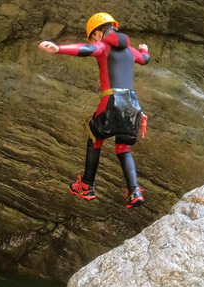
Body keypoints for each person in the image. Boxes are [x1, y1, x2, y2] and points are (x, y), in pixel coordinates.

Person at [39, 13, 150, 208]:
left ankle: (87, 185)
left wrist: (58, 49)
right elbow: (145, 59)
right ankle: (134, 192)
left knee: (94, 136)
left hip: (111, 100)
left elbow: (85, 49)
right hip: (133, 106)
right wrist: (144, 49)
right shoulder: (131, 51)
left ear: (98, 34)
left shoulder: (103, 46)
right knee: (123, 148)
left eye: (92, 37)